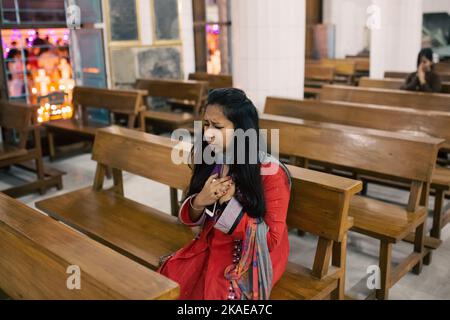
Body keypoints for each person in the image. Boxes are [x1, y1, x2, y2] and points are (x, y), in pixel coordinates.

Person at [158, 88, 291, 300]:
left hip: (254, 257)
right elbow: (191, 218)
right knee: (172, 279)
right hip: (214, 239)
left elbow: (270, 241)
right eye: (206, 125)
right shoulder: (212, 156)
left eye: (218, 127)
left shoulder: (270, 172)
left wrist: (229, 203)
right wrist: (201, 200)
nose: (208, 133)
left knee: (217, 293)